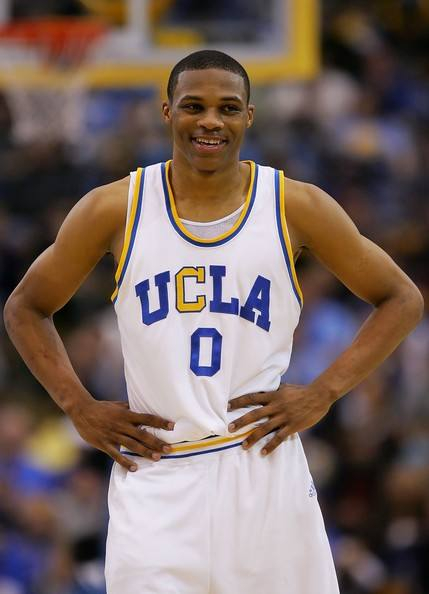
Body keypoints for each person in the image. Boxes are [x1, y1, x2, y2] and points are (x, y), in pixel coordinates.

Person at [3, 50, 423, 594]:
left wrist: (324, 392)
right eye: (193, 106)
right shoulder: (114, 208)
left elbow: (401, 298)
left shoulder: (295, 206)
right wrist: (77, 406)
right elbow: (25, 307)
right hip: (158, 475)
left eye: (227, 108)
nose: (210, 121)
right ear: (167, 111)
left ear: (248, 115)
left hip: (263, 470)